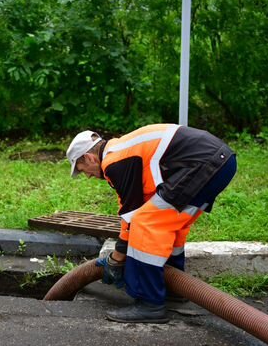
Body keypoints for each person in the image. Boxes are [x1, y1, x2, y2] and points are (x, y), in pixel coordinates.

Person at [66, 124, 237, 323]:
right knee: (169, 224)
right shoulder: (121, 150)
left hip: (204, 165)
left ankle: (150, 303)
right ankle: (171, 286)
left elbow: (134, 216)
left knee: (146, 224)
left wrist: (117, 258)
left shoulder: (115, 162)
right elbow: (131, 207)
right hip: (220, 163)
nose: (87, 175)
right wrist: (120, 253)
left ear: (89, 157)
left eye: (82, 169)